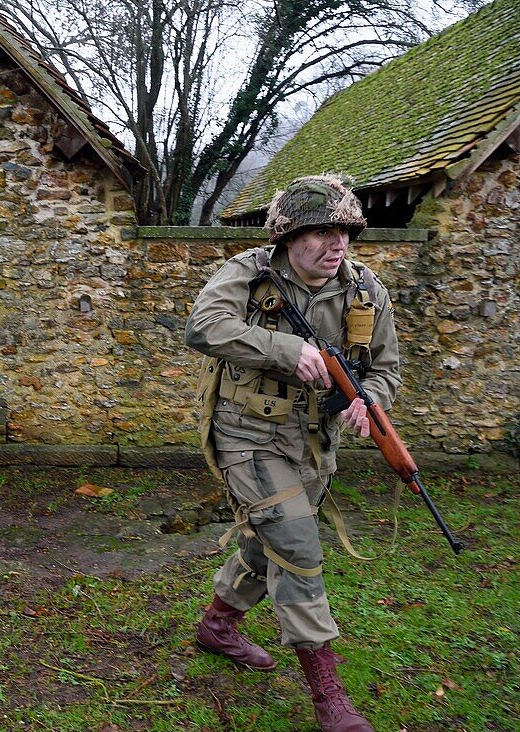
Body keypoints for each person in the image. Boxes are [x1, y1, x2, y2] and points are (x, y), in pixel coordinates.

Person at [184, 175, 400, 732]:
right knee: (298, 545)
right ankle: (328, 695)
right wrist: (285, 349)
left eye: (346, 232)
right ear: (288, 235)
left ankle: (218, 624)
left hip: (314, 444)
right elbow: (203, 327)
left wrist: (367, 401)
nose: (337, 245)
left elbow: (384, 369)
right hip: (247, 435)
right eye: (323, 232)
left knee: (269, 540)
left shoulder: (365, 291)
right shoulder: (249, 275)